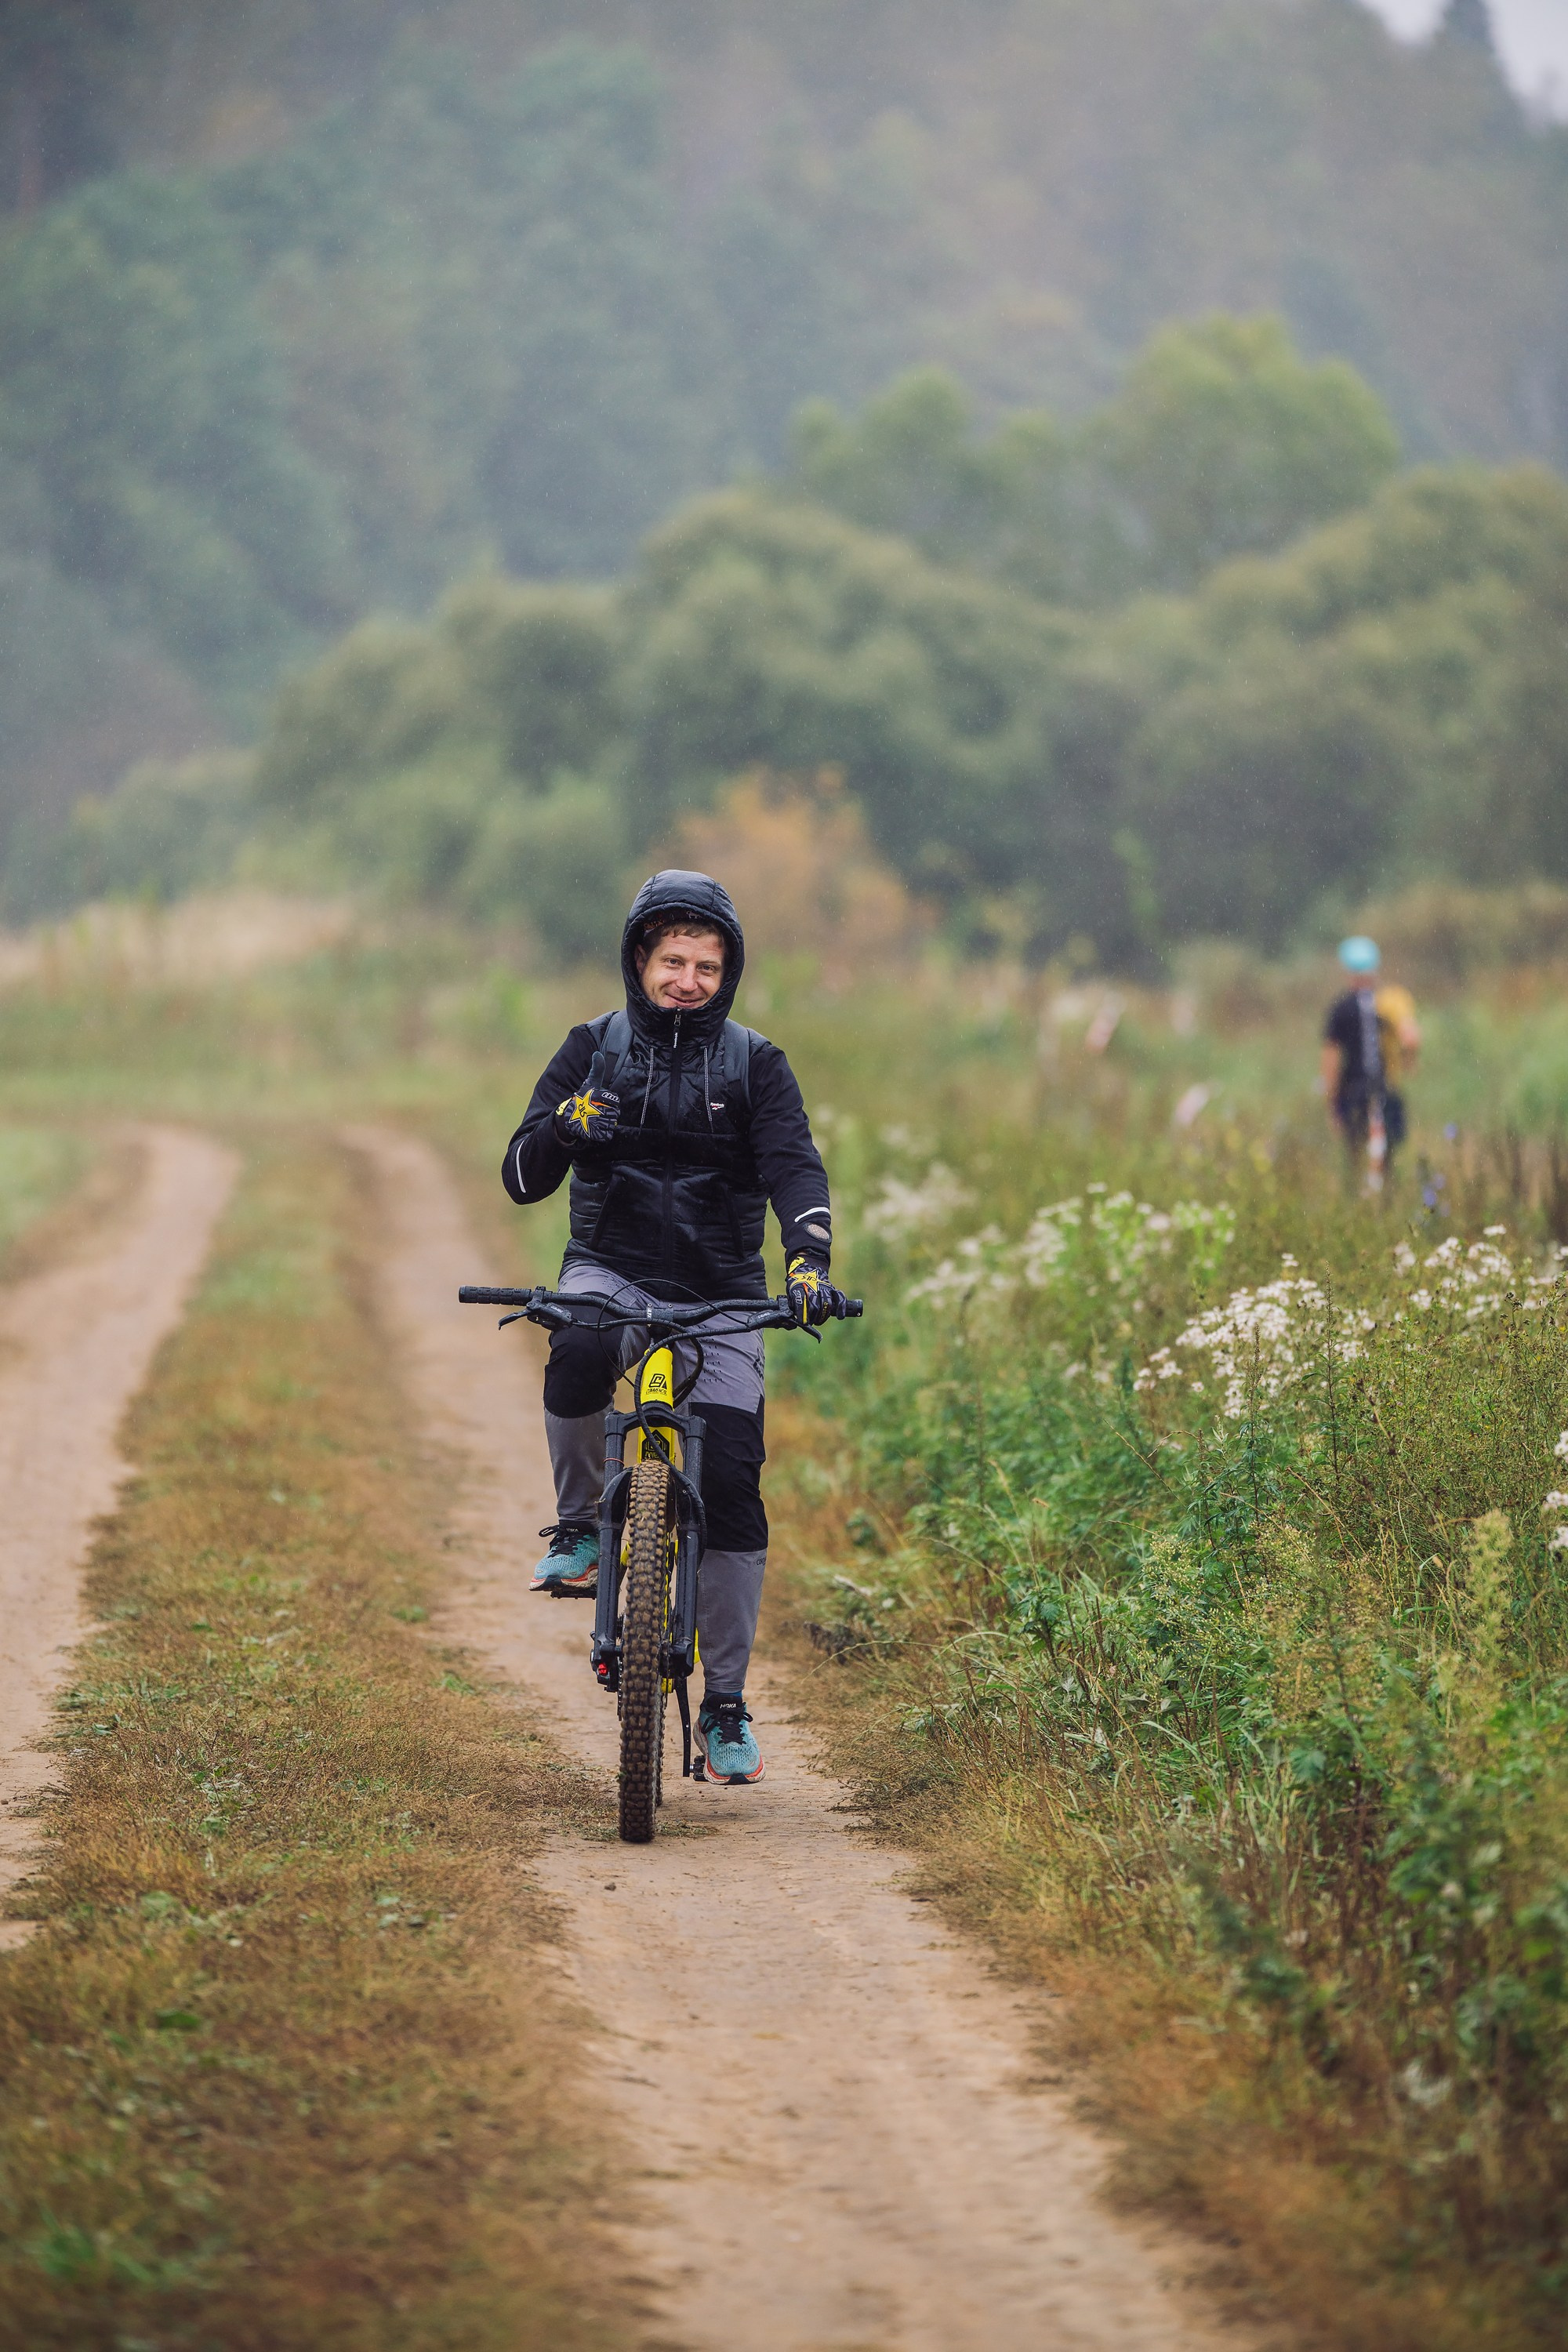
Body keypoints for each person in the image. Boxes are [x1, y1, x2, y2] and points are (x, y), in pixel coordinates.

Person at [502, 869, 844, 1786]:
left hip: (724, 1290)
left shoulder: (755, 1064)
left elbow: (794, 1172)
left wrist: (806, 1265)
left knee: (732, 1482)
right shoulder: (591, 1048)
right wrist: (568, 1127)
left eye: (704, 965)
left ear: (726, 974)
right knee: (573, 1340)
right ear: (639, 962)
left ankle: (724, 1704)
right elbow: (521, 1175)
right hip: (609, 1270)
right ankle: (578, 1530)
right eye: (670, 961)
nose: (686, 979)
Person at [1320, 935, 1420, 1189]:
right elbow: (1411, 1039)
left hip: (1353, 1091)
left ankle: (1359, 1202)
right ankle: (1383, 1199)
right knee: (1385, 1156)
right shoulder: (1389, 1003)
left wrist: (1331, 1101)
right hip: (1386, 1088)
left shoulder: (1341, 1009)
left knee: (1355, 1155)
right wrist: (1408, 1063)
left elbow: (1331, 1059)